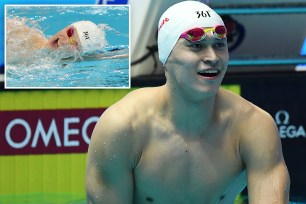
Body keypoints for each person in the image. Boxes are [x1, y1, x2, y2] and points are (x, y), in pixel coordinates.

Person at [86, 1, 290, 203]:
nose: (212, 57)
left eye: (219, 45)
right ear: (166, 55)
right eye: (196, 46)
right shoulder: (123, 126)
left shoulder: (254, 126)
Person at [6, 18, 126, 64]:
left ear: (79, 53)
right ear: (68, 26)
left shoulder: (65, 61)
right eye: (69, 33)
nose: (64, 42)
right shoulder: (18, 34)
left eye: (75, 44)